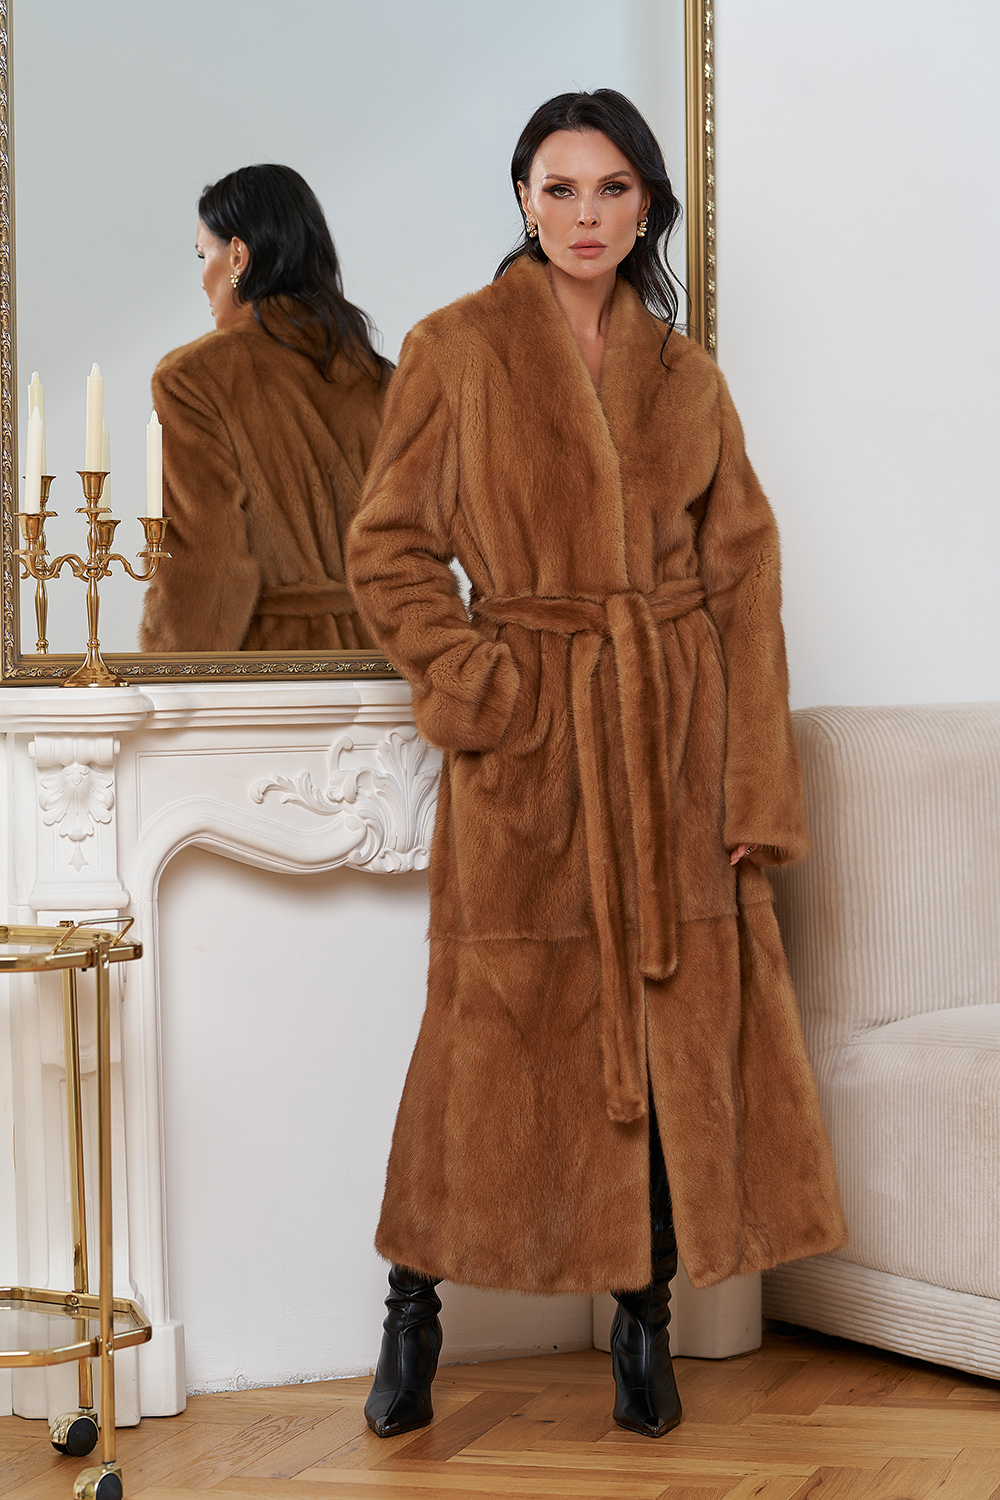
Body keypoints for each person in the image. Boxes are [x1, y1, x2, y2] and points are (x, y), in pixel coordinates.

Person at [346, 90, 846, 1441]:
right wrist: (480, 683)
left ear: (647, 207)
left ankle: (644, 1325)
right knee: (479, 1042)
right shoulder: (455, 348)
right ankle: (411, 1313)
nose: (585, 215)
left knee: (669, 1038)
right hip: (530, 750)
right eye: (560, 188)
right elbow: (388, 545)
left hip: (669, 747)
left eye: (613, 189)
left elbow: (745, 582)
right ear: (522, 198)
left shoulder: (687, 378)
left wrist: (750, 786)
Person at [139, 164, 389, 653]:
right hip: (384, 667)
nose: (202, 279)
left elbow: (204, 572)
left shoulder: (193, 378)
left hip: (270, 673)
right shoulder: (381, 378)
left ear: (237, 255)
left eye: (203, 255)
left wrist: (165, 673)